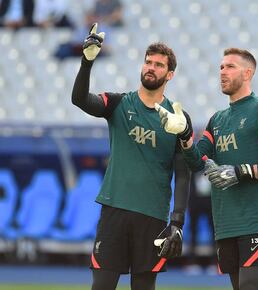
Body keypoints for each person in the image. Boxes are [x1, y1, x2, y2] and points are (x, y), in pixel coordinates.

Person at [155, 48, 258, 290]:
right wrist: (185, 135)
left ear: (248, 73)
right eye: (221, 67)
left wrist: (241, 171)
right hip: (225, 223)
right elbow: (197, 162)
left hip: (256, 220)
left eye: (230, 66)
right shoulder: (217, 119)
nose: (222, 72)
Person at [71, 23, 191, 290]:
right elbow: (80, 99)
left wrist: (177, 221)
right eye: (148, 62)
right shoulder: (118, 103)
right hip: (115, 209)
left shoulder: (178, 119)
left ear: (169, 74)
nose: (151, 67)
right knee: (101, 286)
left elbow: (184, 172)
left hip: (153, 216)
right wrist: (87, 62)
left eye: (159, 64)